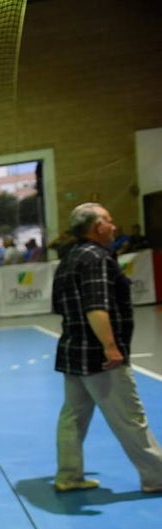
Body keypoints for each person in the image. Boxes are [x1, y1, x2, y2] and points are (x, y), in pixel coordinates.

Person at [51, 203, 162, 493]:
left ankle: (68, 475)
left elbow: (60, 306)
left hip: (74, 351)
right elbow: (96, 307)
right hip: (99, 356)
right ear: (98, 227)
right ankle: (157, 475)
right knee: (130, 418)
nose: (114, 227)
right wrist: (111, 347)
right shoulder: (96, 258)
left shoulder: (69, 258)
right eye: (109, 221)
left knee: (73, 417)